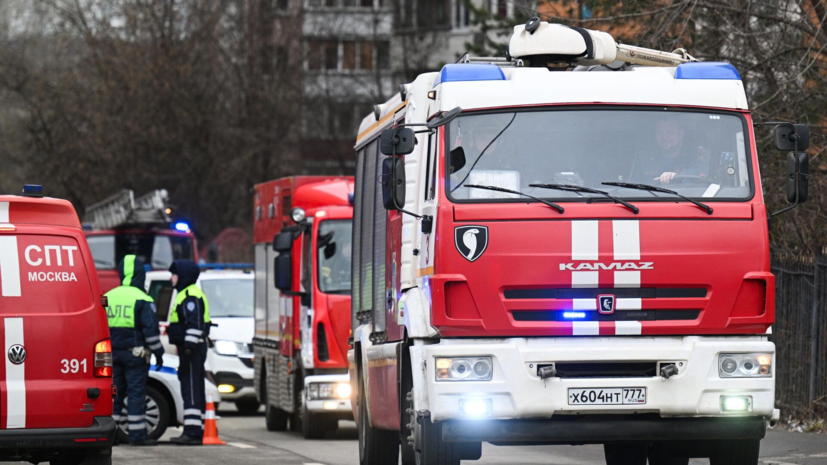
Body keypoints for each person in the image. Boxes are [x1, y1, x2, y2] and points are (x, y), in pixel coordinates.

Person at [106, 255, 164, 446]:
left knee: (114, 394)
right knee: (136, 393)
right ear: (140, 274)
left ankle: (111, 435)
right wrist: (158, 353)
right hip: (135, 355)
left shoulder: (108, 296)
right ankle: (137, 435)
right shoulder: (142, 298)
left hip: (111, 354)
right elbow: (151, 332)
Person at [167, 259, 210, 445]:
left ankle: (192, 433)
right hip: (191, 349)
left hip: (191, 350)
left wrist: (187, 349)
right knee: (192, 389)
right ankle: (194, 430)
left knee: (191, 390)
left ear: (182, 276)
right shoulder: (186, 294)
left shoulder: (190, 296)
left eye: (174, 274)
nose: (171, 278)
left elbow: (195, 325)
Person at [649, 118, 707, 184]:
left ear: (681, 134)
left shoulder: (694, 155)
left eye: (670, 132)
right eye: (660, 133)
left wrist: (677, 175)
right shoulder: (645, 158)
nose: (664, 137)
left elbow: (701, 171)